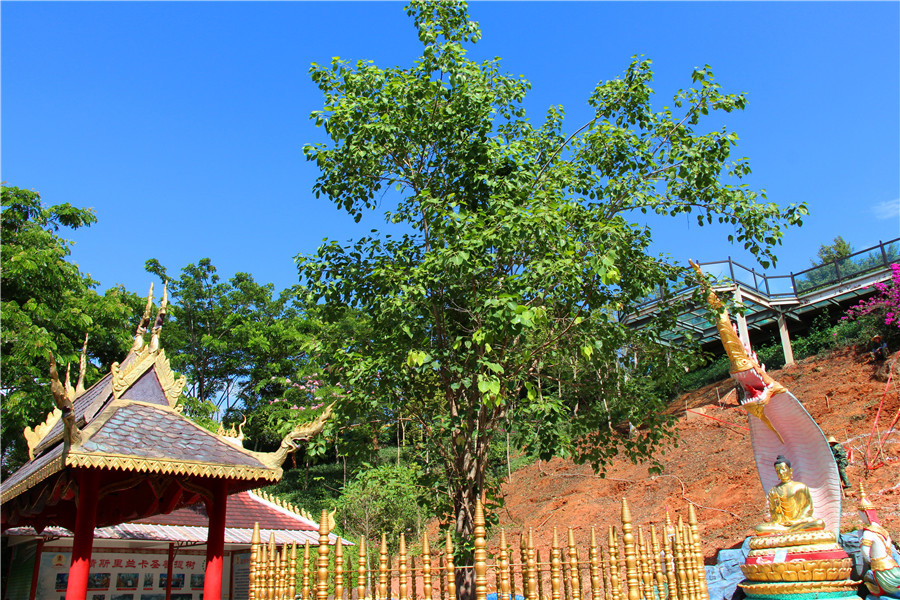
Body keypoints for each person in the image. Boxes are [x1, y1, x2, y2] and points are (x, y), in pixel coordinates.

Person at [754, 455, 825, 534]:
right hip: (782, 525)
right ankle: (791, 530)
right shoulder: (773, 491)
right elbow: (775, 518)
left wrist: (797, 521)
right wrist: (777, 509)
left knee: (819, 523)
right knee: (759, 529)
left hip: (799, 522)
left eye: (783, 469)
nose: (781, 472)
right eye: (778, 471)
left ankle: (790, 530)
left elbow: (807, 509)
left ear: (790, 470)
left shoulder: (800, 487)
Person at [858, 482, 900, 599]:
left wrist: (871, 562)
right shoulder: (882, 530)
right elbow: (889, 547)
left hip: (880, 568)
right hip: (892, 564)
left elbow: (865, 552)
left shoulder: (869, 532)